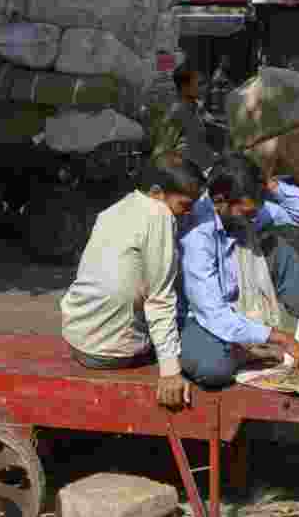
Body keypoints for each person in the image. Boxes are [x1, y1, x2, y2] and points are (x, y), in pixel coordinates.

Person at [61, 152, 205, 409]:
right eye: (185, 205)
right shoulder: (158, 215)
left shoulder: (117, 208)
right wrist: (170, 371)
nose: (188, 213)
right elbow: (160, 300)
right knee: (201, 344)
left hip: (77, 339)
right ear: (158, 192)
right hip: (110, 353)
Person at [177, 153, 299, 389]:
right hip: (202, 316)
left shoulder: (245, 211)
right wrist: (281, 337)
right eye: (247, 213)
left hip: (242, 292)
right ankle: (246, 353)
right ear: (220, 202)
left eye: (255, 213)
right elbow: (213, 314)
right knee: (212, 368)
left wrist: (269, 185)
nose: (252, 220)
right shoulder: (198, 235)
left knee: (279, 250)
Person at [167, 64, 218, 174]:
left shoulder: (198, 108)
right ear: (185, 87)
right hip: (190, 177)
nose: (203, 88)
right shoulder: (177, 112)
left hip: (207, 170)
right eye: (198, 84)